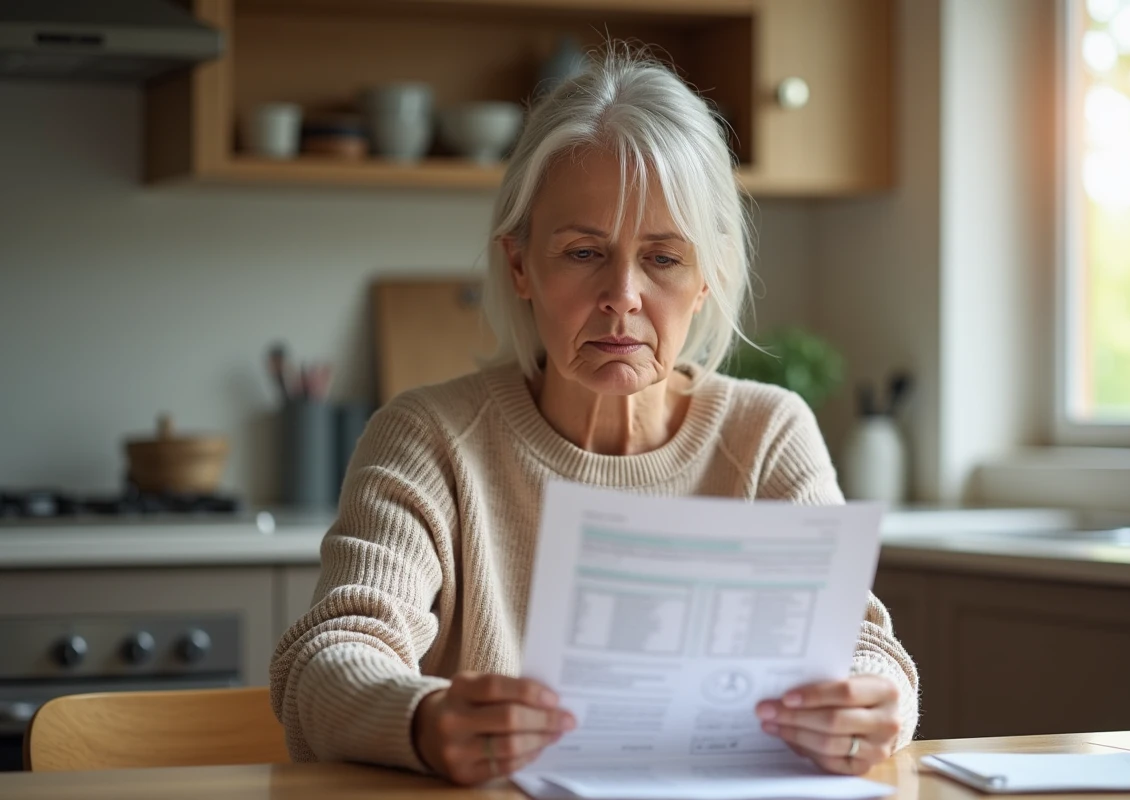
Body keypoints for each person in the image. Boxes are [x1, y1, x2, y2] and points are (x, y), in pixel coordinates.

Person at [270, 45, 918, 786]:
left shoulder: (768, 434)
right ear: (521, 266)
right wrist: (422, 720)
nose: (623, 296)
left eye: (664, 258)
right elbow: (327, 657)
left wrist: (875, 702)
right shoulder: (428, 439)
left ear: (708, 275)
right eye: (583, 253)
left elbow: (860, 646)